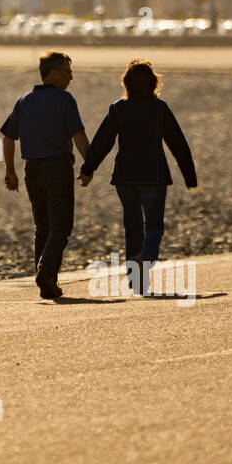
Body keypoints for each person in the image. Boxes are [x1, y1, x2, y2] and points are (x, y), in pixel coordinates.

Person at [78, 59, 197, 296]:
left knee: (132, 227)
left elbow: (103, 142)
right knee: (154, 225)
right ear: (153, 83)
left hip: (124, 178)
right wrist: (189, 176)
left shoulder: (118, 109)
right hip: (153, 176)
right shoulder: (159, 108)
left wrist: (88, 169)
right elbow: (178, 143)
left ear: (127, 84)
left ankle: (138, 281)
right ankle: (146, 258)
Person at [0, 50, 90, 299]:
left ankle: (46, 283)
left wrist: (10, 171)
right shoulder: (64, 100)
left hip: (32, 170)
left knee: (43, 227)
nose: (71, 77)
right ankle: (45, 270)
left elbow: (8, 138)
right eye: (67, 72)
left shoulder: (24, 101)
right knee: (61, 226)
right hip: (57, 168)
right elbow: (78, 136)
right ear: (52, 73)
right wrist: (89, 165)